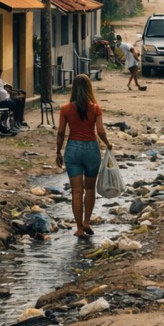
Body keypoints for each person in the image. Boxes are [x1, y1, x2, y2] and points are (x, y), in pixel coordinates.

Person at [56, 75, 113, 237]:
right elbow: (100, 131)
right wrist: (108, 144)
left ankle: (79, 228)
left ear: (73, 88)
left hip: (73, 148)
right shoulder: (95, 108)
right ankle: (87, 221)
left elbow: (61, 132)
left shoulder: (65, 109)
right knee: (89, 188)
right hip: (91, 150)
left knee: (76, 191)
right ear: (89, 88)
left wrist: (58, 151)